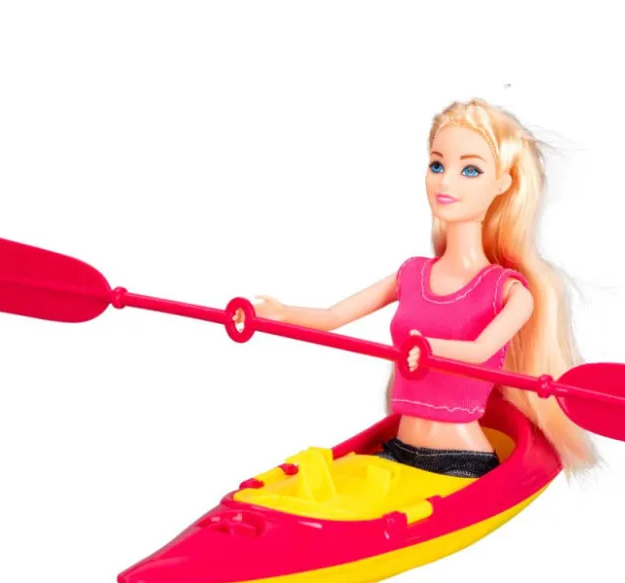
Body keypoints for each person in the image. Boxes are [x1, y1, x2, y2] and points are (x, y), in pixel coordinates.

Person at [234, 99, 597, 478]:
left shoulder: (510, 293)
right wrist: (278, 315)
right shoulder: (410, 275)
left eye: (470, 170)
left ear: (503, 183)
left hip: (461, 463)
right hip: (398, 451)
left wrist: (428, 348)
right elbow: (333, 316)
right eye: (437, 165)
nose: (446, 182)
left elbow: (480, 351)